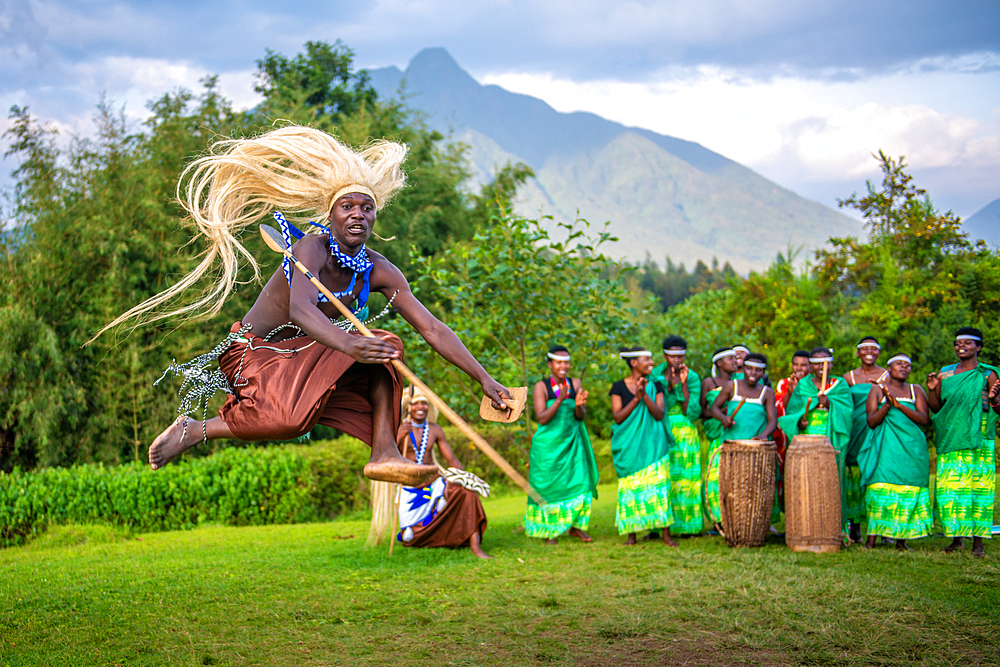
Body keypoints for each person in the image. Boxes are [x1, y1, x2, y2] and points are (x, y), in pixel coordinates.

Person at [94, 126, 511, 486]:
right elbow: (301, 312)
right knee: (299, 412)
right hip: (255, 353)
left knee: (384, 351)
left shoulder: (380, 270)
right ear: (331, 215)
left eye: (367, 209)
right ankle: (197, 428)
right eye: (347, 207)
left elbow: (432, 328)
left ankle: (384, 451)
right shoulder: (310, 249)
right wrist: (351, 347)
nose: (358, 215)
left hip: (307, 357)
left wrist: (484, 379)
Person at [927, 327, 1000, 558]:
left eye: (968, 343)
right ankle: (957, 539)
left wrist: (995, 398)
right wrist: (931, 390)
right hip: (951, 436)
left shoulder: (988, 373)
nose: (961, 346)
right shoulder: (945, 374)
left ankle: (978, 543)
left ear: (978, 347)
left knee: (980, 489)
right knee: (952, 490)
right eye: (958, 343)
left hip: (979, 438)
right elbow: (937, 408)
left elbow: (997, 405)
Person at [394, 388, 491, 558]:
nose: (420, 407)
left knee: (468, 494)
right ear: (408, 407)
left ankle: (475, 546)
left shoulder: (435, 429)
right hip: (410, 485)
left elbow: (452, 459)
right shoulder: (400, 428)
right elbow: (388, 454)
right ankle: (432, 537)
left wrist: (463, 477)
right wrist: (400, 436)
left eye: (424, 403)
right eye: (415, 403)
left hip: (434, 481)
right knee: (410, 538)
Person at [524, 346, 599, 544]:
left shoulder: (575, 383)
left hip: (572, 443)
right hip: (547, 447)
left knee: (581, 482)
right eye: (559, 362)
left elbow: (580, 416)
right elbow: (542, 418)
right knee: (547, 487)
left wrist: (579, 405)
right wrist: (560, 398)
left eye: (566, 362)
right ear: (550, 364)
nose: (563, 366)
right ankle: (549, 531)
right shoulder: (541, 386)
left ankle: (576, 527)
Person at [859, 354, 932, 550]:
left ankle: (901, 540)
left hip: (911, 447)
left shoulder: (915, 390)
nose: (905, 367)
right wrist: (888, 405)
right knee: (880, 488)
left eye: (908, 365)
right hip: (886, 447)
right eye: (900, 364)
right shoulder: (877, 390)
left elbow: (924, 419)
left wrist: (900, 405)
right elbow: (872, 421)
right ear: (889, 369)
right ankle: (872, 539)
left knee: (908, 489)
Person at [778, 346, 854, 535]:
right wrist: (800, 422)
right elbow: (793, 412)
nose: (821, 367)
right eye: (817, 364)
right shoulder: (804, 385)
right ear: (811, 366)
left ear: (832, 364)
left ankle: (834, 527)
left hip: (832, 437)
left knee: (830, 479)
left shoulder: (840, 385)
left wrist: (830, 404)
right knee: (807, 478)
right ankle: (805, 525)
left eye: (825, 363)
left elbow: (848, 413)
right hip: (808, 437)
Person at [609, 347, 677, 546]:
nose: (651, 362)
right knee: (631, 488)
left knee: (659, 487)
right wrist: (637, 398)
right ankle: (632, 534)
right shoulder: (618, 387)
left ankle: (666, 534)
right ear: (633, 363)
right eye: (646, 359)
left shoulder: (655, 385)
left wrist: (645, 395)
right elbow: (618, 417)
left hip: (653, 444)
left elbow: (659, 414)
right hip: (629, 446)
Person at [651, 335, 703, 536]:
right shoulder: (655, 374)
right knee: (662, 476)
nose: (677, 360)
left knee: (685, 479)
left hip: (685, 432)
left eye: (681, 356)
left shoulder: (692, 377)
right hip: (660, 429)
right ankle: (658, 527)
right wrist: (669, 386)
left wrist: (683, 385)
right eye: (673, 356)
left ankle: (687, 526)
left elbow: (692, 412)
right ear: (665, 356)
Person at [843, 336, 888, 543]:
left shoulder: (887, 375)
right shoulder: (849, 377)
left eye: (874, 348)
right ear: (858, 352)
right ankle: (855, 527)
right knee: (855, 478)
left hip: (879, 429)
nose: (869, 352)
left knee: (878, 477)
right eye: (864, 348)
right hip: (856, 429)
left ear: (879, 352)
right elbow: (843, 405)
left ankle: (884, 528)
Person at [701, 347, 738, 530]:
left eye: (735, 358)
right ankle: (718, 520)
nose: (735, 361)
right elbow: (702, 411)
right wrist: (722, 413)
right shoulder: (709, 382)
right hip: (717, 435)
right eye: (730, 358)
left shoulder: (739, 382)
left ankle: (734, 517)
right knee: (715, 477)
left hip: (735, 434)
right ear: (719, 363)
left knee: (734, 477)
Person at [773, 350, 812, 507]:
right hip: (787, 435)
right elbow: (781, 408)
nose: (799, 368)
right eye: (796, 364)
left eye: (803, 365)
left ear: (810, 366)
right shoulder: (784, 382)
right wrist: (790, 391)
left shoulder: (812, 383)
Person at [710, 353, 778, 442]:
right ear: (743, 368)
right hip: (731, 442)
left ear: (763, 373)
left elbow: (772, 420)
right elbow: (714, 408)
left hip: (756, 444)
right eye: (749, 368)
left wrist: (763, 434)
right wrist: (723, 418)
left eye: (758, 370)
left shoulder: (767, 393)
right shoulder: (731, 386)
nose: (753, 373)